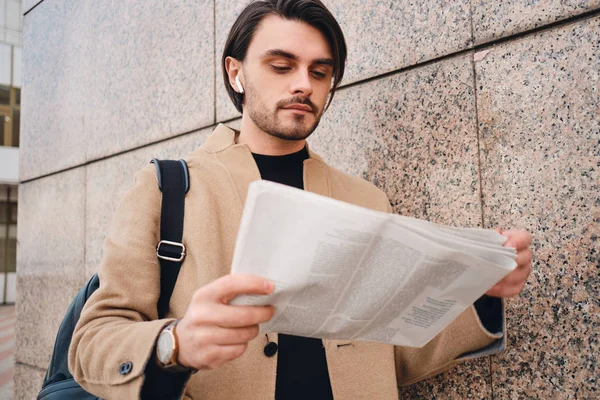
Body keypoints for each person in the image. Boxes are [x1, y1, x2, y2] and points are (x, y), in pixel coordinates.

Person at [69, 1, 533, 399]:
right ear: (236, 74)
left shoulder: (365, 198)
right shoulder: (167, 187)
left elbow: (394, 352)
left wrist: (479, 291)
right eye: (281, 66)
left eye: (319, 71)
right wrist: (175, 344)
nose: (303, 85)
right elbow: (91, 341)